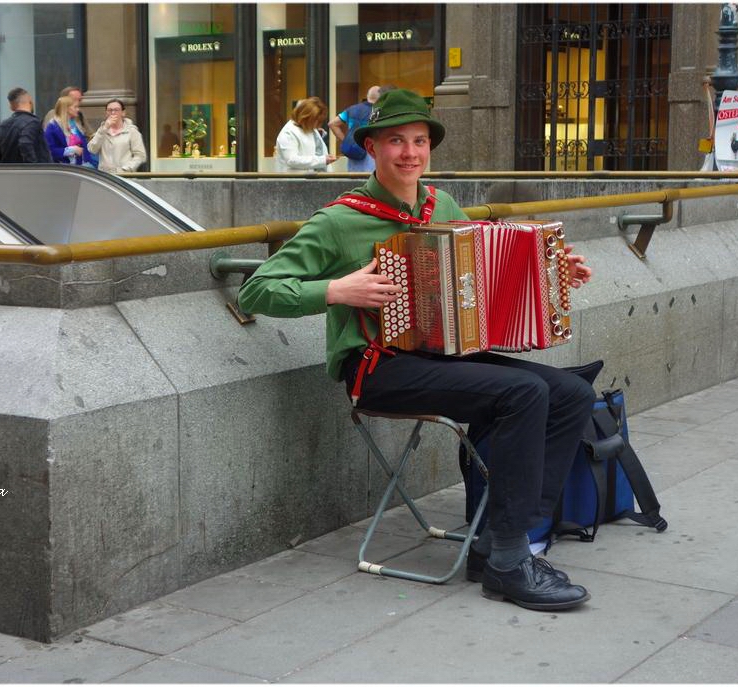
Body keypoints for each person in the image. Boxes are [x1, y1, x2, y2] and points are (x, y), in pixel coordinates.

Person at [239, 89, 596, 612]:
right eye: (396, 141)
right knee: (522, 392)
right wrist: (337, 290)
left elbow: (485, 272)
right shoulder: (339, 220)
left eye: (419, 141)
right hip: (378, 367)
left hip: (444, 358)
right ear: (372, 147)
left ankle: (503, 541)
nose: (410, 153)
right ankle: (509, 562)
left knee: (568, 393)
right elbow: (257, 289)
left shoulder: (441, 206)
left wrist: (556, 274)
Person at [0, 87, 51, 163]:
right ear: (30, 102)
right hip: (32, 173)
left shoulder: (2, 126)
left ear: (11, 107)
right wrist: (33, 167)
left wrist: (5, 164)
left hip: (8, 172)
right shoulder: (33, 123)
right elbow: (25, 144)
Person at [274, 96, 336, 172]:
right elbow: (291, 160)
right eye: (315, 120)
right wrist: (322, 160)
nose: (318, 124)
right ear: (305, 117)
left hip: (314, 179)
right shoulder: (288, 133)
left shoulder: (310, 129)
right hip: (295, 181)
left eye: (320, 121)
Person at [329, 85, 381, 173]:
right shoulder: (378, 112)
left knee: (353, 180)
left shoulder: (352, 109)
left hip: (353, 151)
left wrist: (345, 140)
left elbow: (332, 124)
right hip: (371, 153)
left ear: (368, 96)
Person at [87, 99, 147, 173]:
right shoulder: (101, 131)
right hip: (105, 176)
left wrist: (126, 169)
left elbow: (140, 155)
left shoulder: (132, 132)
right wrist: (104, 129)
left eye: (116, 110)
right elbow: (92, 149)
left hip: (125, 176)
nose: (113, 112)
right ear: (106, 113)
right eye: (109, 110)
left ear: (123, 113)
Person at [44, 95, 94, 166]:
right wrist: (72, 150)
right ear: (66, 109)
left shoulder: (77, 124)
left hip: (81, 167)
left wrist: (88, 162)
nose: (78, 109)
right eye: (75, 107)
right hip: (63, 169)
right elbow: (50, 151)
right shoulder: (52, 127)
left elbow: (84, 146)